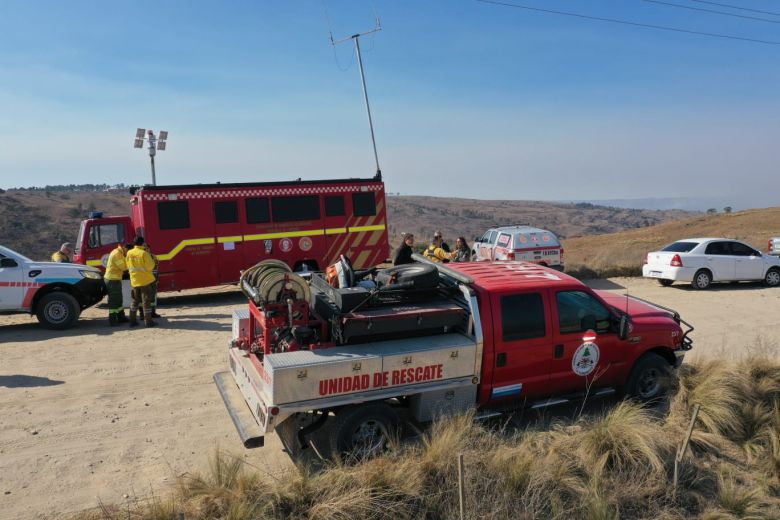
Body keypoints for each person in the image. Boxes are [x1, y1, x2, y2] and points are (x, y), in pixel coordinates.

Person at [125, 236, 158, 327]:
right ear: (142, 243)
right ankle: (148, 321)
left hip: (134, 281)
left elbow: (127, 265)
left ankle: (132, 320)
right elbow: (150, 266)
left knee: (135, 301)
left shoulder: (129, 253)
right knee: (146, 301)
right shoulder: (144, 253)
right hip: (145, 281)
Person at [104, 243, 131, 326]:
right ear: (125, 248)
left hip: (115, 279)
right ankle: (112, 320)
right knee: (114, 300)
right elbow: (124, 267)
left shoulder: (119, 253)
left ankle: (121, 317)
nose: (128, 254)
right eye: (128, 252)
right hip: (112, 280)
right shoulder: (117, 254)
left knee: (119, 299)